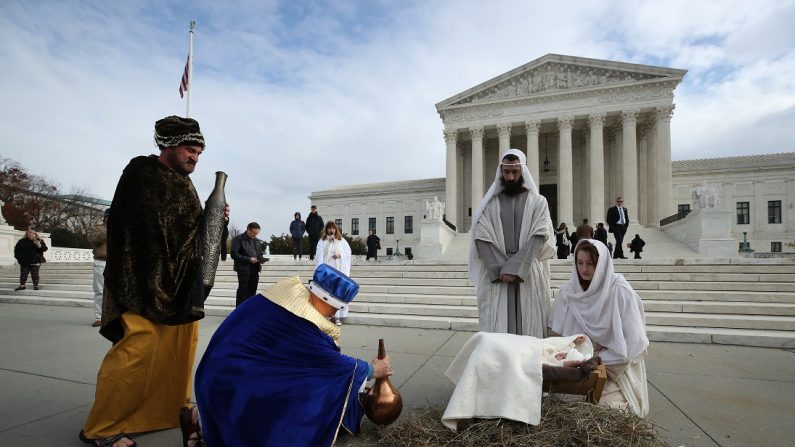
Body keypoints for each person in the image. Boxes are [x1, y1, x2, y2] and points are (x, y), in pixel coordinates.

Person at [80, 115, 229, 447]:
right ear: (171, 146)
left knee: (177, 351)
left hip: (180, 285)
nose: (195, 157)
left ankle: (158, 413)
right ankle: (101, 429)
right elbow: (140, 229)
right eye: (190, 150)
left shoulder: (183, 183)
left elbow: (184, 231)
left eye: (199, 152)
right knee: (136, 351)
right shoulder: (141, 173)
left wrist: (212, 219)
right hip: (142, 283)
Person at [194, 264, 392, 447]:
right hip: (231, 384)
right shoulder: (302, 323)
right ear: (326, 300)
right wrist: (373, 369)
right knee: (307, 392)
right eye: (336, 307)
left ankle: (201, 431)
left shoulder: (283, 299)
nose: (334, 314)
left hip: (218, 373)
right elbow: (333, 365)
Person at [549, 240, 649, 417]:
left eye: (590, 263)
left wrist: (596, 360)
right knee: (562, 407)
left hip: (611, 370)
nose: (584, 269)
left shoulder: (619, 292)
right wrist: (567, 352)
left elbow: (634, 343)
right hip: (574, 367)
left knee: (607, 411)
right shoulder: (568, 294)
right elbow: (556, 337)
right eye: (580, 263)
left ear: (601, 264)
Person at [469, 148, 555, 337]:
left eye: (514, 172)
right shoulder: (490, 204)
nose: (509, 177)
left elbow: (540, 235)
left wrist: (516, 268)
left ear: (522, 172)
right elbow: (481, 236)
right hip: (497, 276)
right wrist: (501, 269)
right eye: (506, 172)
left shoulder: (539, 202)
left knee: (530, 328)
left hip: (528, 273)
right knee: (497, 330)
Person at [316, 221, 352, 325]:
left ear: (335, 229)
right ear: (326, 230)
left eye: (333, 228)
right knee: (327, 294)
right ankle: (327, 315)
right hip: (328, 272)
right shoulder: (322, 242)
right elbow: (319, 257)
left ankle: (337, 316)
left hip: (339, 271)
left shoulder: (341, 240)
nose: (331, 230)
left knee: (337, 294)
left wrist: (340, 255)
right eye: (329, 228)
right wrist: (328, 243)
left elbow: (348, 253)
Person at [231, 222, 268, 307]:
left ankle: (249, 311)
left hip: (255, 268)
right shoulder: (238, 239)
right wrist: (248, 259)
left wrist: (261, 259)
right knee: (243, 291)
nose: (255, 235)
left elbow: (259, 254)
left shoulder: (257, 241)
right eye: (253, 233)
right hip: (243, 269)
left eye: (257, 233)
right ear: (248, 230)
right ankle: (239, 312)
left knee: (253, 291)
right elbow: (234, 254)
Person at [87, 208, 110, 326]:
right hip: (101, 262)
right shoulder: (96, 228)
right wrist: (107, 231)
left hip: (115, 262)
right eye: (108, 216)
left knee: (115, 291)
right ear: (105, 217)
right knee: (100, 291)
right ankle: (98, 317)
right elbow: (92, 239)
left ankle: (113, 316)